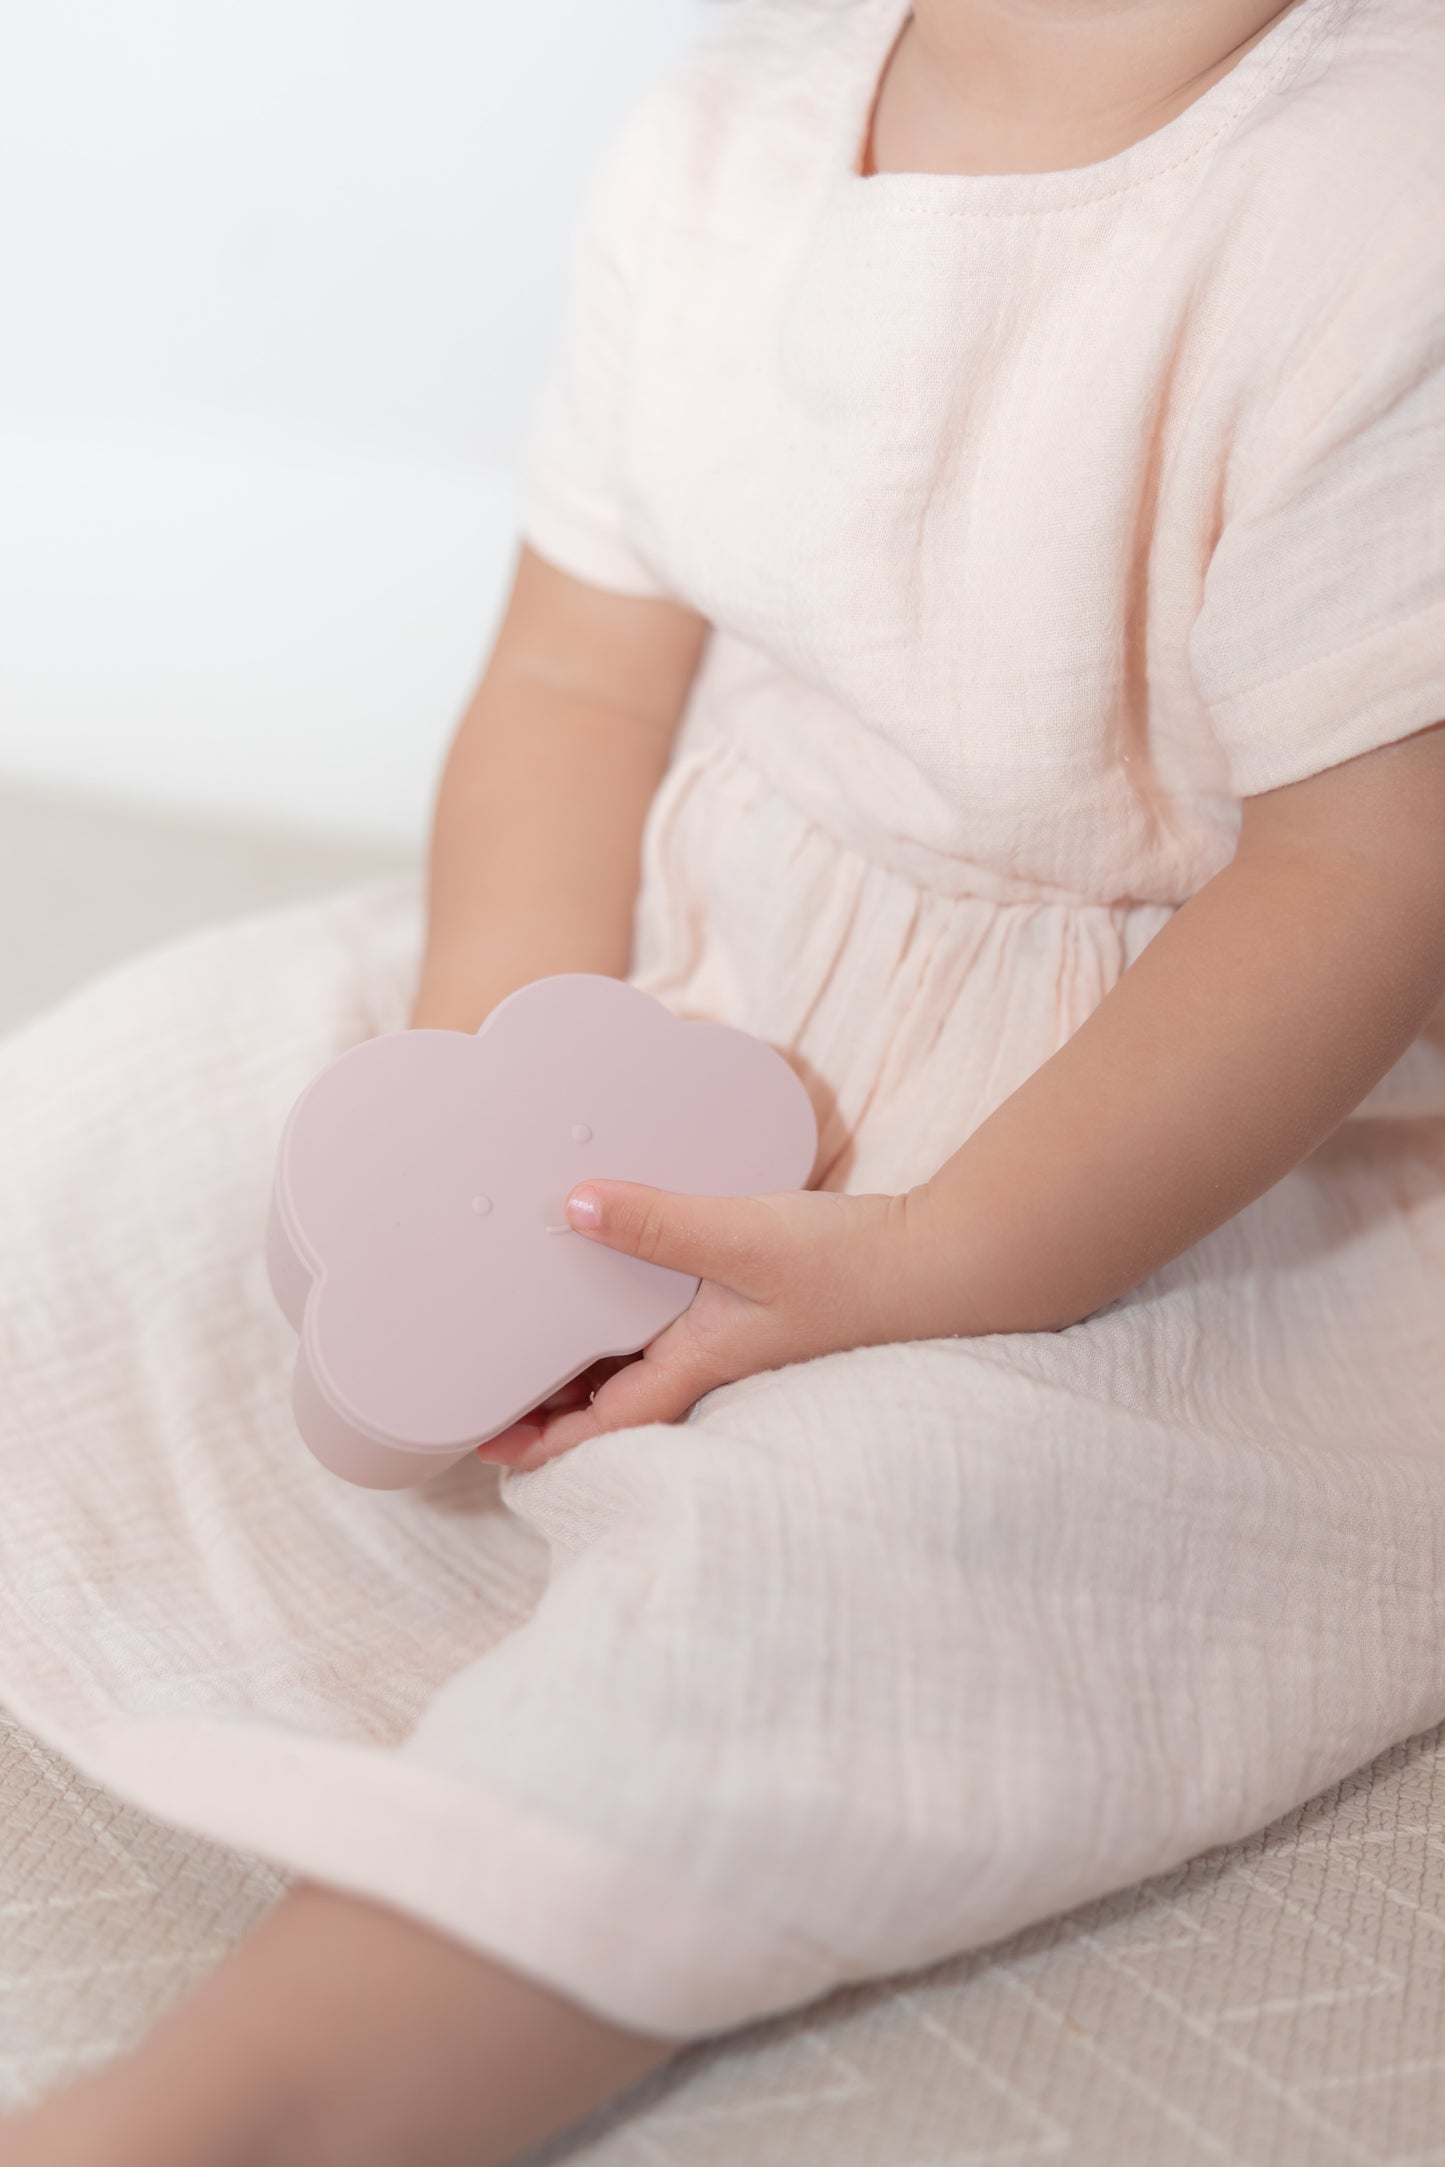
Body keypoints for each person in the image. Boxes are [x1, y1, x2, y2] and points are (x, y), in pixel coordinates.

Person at [3, 0, 1444, 2160]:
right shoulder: (714, 152)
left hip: (1152, 1130)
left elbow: (1364, 871)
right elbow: (578, 681)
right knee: (117, 1113)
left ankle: (251, 2096)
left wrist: (949, 1252)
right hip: (693, 980)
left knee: (853, 1565)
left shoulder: (1380, 182)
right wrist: (480, 1108)